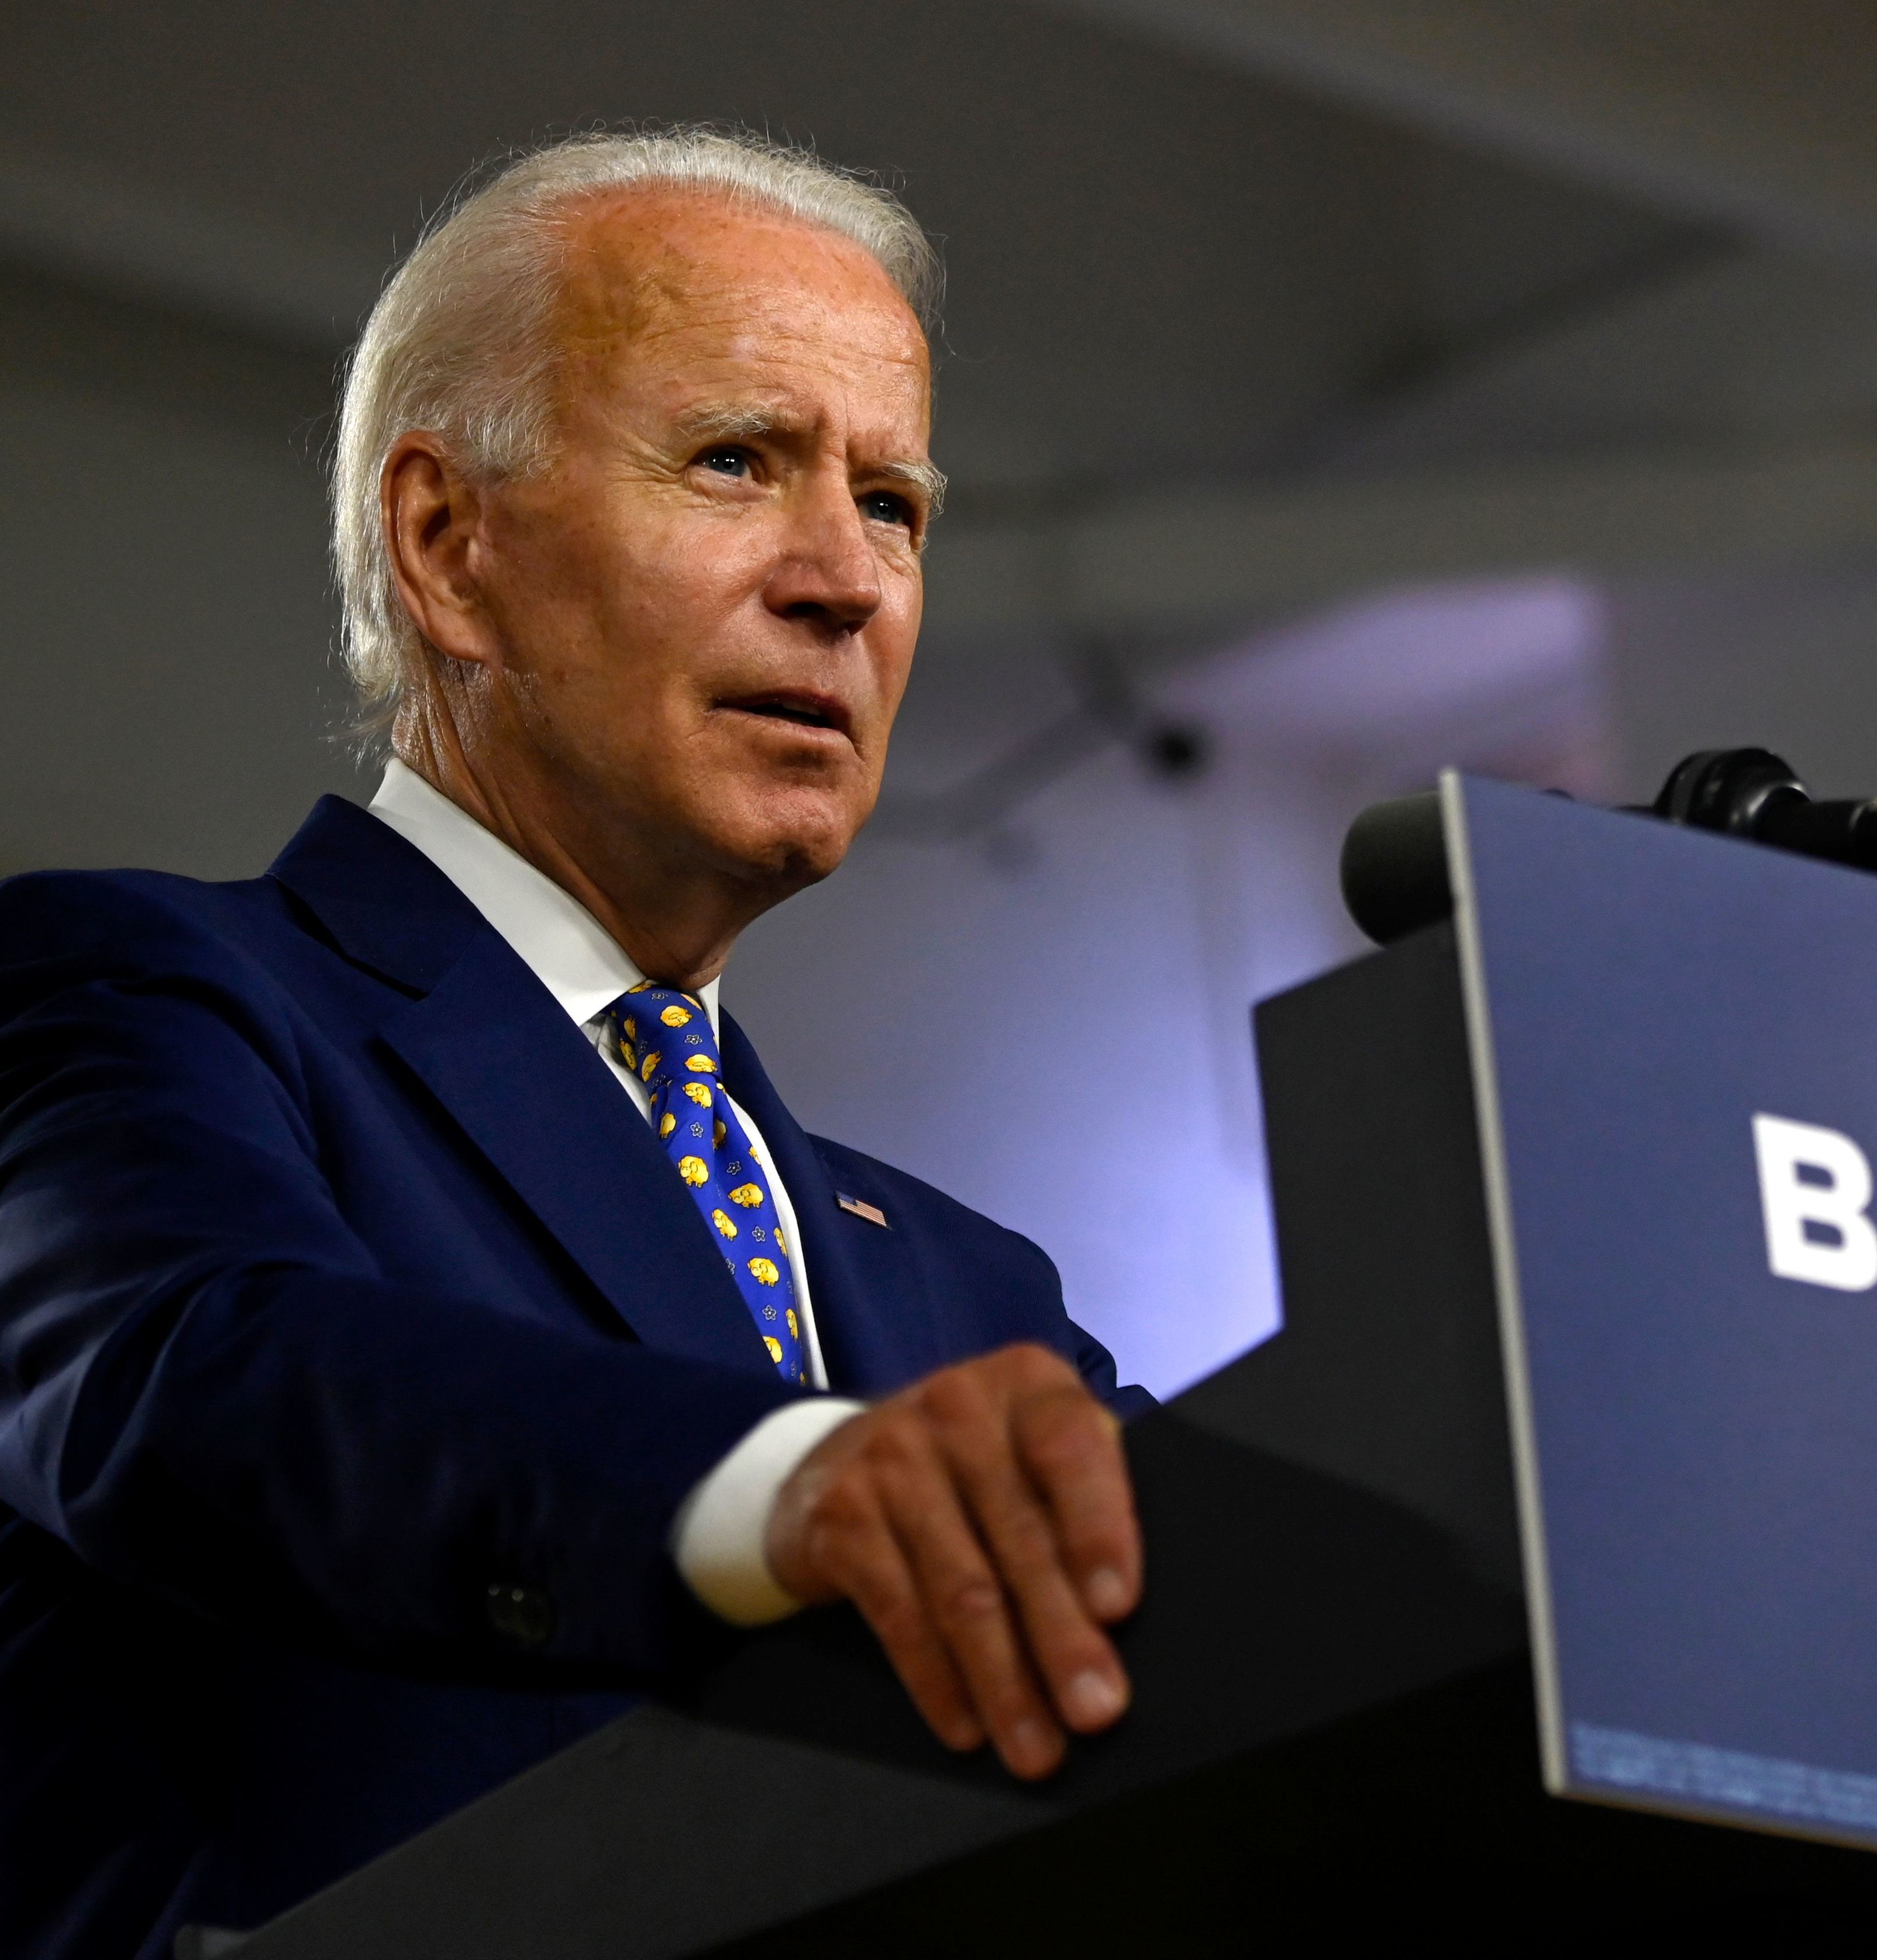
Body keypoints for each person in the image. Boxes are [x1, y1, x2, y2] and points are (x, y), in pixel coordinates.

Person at [0, 129, 1156, 1960]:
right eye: (735, 463)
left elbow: (1251, 1626)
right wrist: (789, 1492)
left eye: (895, 505)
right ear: (450, 547)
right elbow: (185, 1384)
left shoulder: (968, 1291)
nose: (846, 580)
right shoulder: (144, 993)